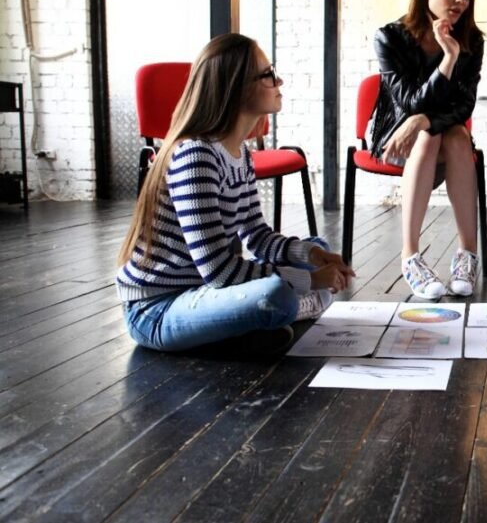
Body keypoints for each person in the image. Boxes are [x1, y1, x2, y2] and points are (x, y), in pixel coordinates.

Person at [116, 34, 354, 354]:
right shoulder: (196, 156)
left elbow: (256, 236)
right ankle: (276, 312)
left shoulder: (239, 154)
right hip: (156, 311)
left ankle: (251, 323)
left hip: (203, 290)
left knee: (315, 247)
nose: (278, 80)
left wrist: (311, 258)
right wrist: (310, 281)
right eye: (268, 74)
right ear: (238, 87)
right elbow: (220, 272)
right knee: (277, 295)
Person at [369, 0, 484, 300]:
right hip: (397, 140)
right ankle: (410, 256)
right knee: (431, 135)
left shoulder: (472, 40)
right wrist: (448, 60)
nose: (461, 0)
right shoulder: (389, 37)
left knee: (453, 135)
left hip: (442, 138)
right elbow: (408, 103)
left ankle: (467, 254)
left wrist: (424, 119)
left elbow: (465, 104)